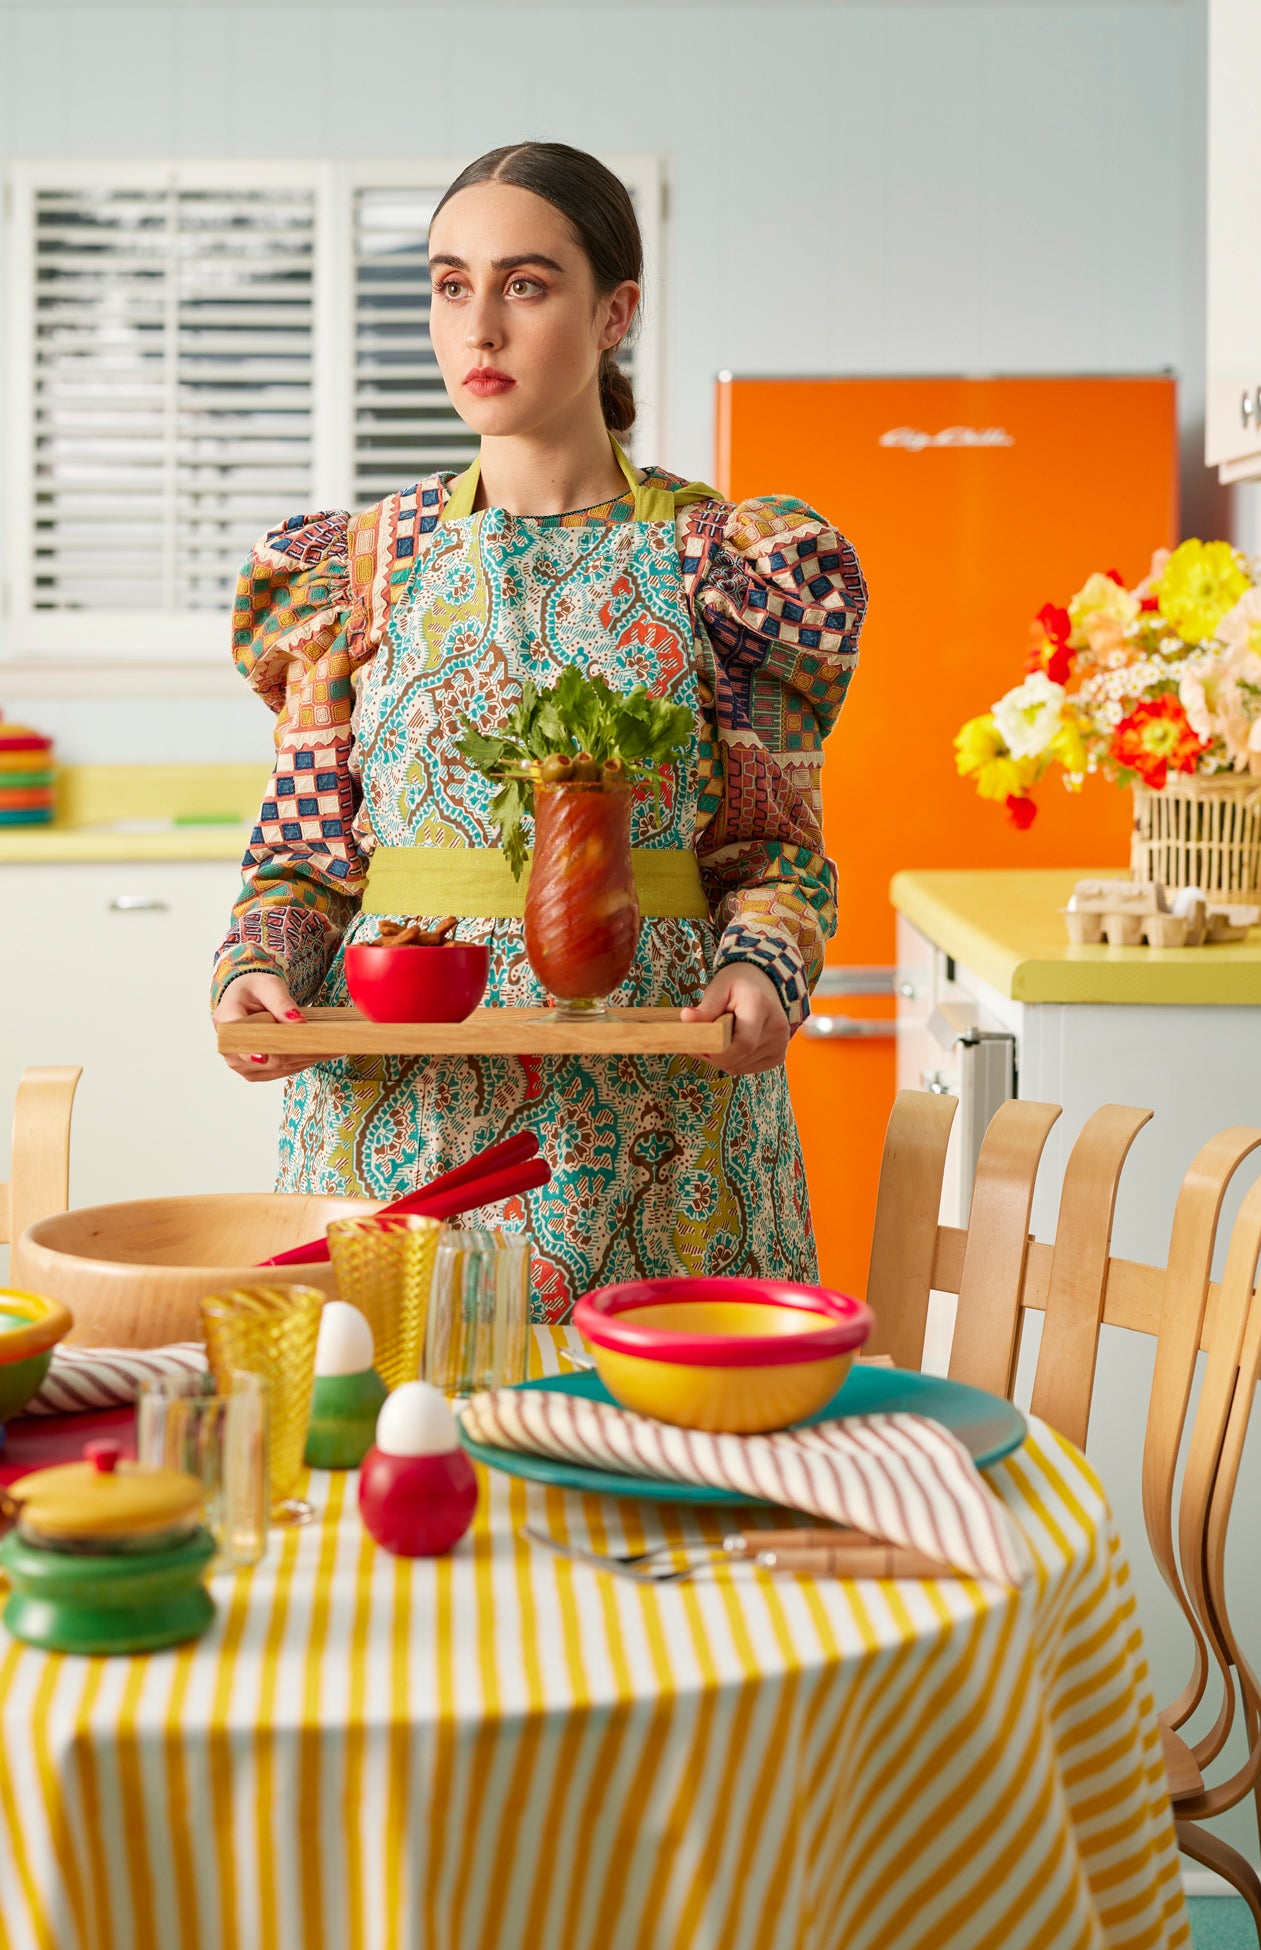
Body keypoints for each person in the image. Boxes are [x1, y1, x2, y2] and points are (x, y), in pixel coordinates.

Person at [211, 141, 866, 1323]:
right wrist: (262, 965)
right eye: (449, 284)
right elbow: (306, 854)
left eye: (525, 284)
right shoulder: (350, 573)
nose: (479, 331)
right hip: (398, 1122)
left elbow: (771, 850)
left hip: (669, 1126)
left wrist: (759, 966)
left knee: (663, 1477)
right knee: (397, 1450)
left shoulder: (730, 565)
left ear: (614, 311)